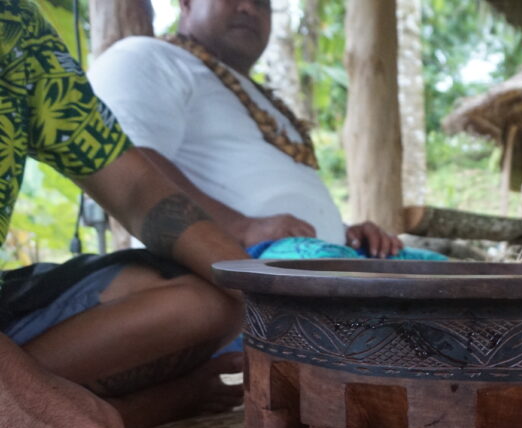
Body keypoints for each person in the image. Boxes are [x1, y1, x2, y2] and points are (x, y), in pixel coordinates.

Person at [0, 0, 263, 428]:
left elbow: (139, 187)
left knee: (209, 303)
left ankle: (74, 416)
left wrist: (277, 307)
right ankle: (144, 408)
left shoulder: (17, 31)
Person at [88, 0, 424, 260]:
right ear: (186, 2)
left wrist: (345, 233)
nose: (249, 8)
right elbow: (125, 168)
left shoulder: (256, 95)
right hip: (232, 268)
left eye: (262, 3)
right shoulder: (148, 56)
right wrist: (241, 228)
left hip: (324, 254)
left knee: (454, 279)